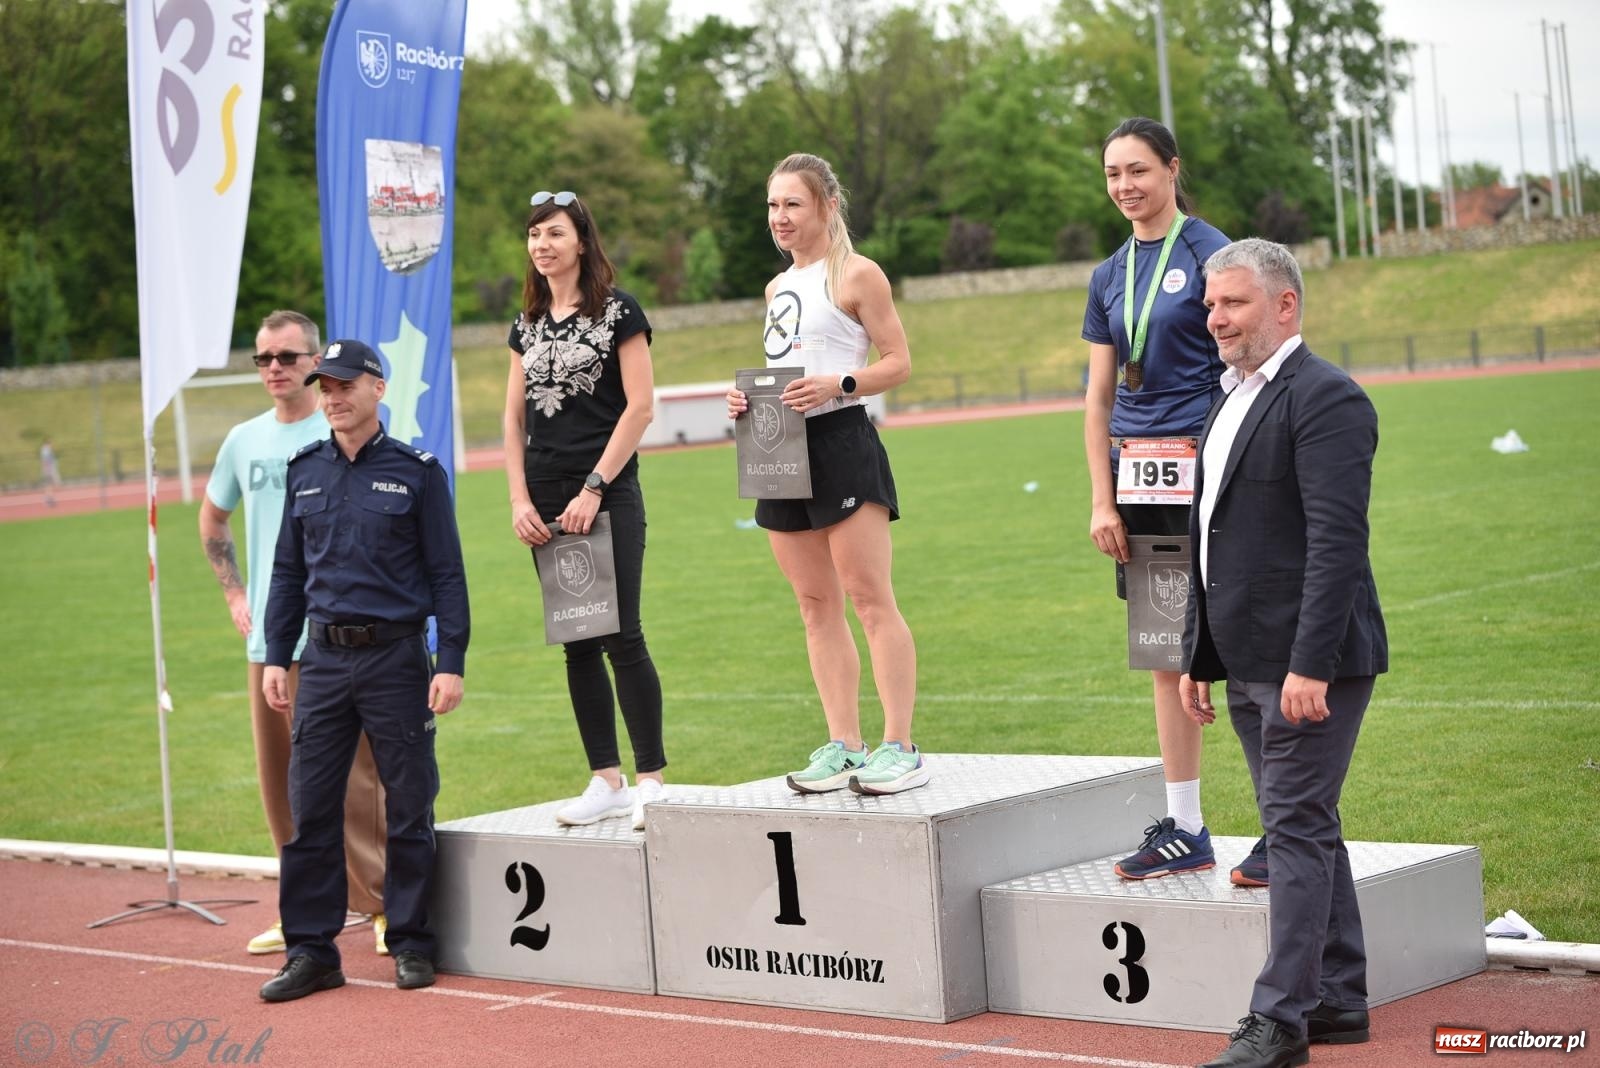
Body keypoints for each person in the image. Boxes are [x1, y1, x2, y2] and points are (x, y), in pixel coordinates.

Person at [1182, 239, 1386, 1068]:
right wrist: (1201, 655)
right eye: (1209, 305)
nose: (1215, 319)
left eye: (1232, 304)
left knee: (1294, 830)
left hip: (1311, 663)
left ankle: (1279, 1023)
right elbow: (1211, 536)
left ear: (1285, 305)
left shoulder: (1327, 397)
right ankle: (1338, 998)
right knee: (1305, 826)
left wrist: (1311, 664)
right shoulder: (1228, 397)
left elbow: (1337, 543)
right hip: (1246, 657)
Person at [258, 339, 469, 1002]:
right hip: (321, 663)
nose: (332, 397)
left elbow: (446, 573)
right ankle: (312, 952)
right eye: (324, 386)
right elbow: (288, 573)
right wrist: (274, 655)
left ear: (379, 388)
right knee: (311, 809)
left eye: (345, 385)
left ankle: (409, 940)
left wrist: (452, 659)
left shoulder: (417, 472)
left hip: (396, 660)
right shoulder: (305, 471)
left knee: (408, 804)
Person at [1081, 117, 1263, 883]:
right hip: (1139, 482)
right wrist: (1102, 498)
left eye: (1139, 171)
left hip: (1214, 479)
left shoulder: (1211, 253)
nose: (1126, 186)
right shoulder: (1108, 274)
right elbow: (1096, 399)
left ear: (1171, 170)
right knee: (1164, 655)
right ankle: (1186, 826)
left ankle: (1285, 826)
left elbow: (1247, 362)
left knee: (1251, 652)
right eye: (1114, 173)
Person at [725, 152, 925, 796]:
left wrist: (842, 382)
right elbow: (782, 368)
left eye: (792, 204)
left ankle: (899, 745)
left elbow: (897, 362)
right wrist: (746, 402)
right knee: (814, 606)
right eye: (772, 206)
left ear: (827, 206)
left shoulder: (858, 275)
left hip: (841, 443)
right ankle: (844, 744)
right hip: (777, 446)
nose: (779, 218)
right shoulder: (776, 287)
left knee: (869, 599)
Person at [198, 310, 388, 958]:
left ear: (314, 361)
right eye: (263, 359)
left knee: (356, 784)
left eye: (287, 357)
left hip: (335, 640)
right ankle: (305, 908)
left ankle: (379, 902)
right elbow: (212, 518)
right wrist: (234, 592)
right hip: (269, 647)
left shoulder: (338, 430)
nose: (274, 368)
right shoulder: (243, 441)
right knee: (281, 786)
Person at [503, 190, 666, 830]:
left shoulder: (620, 311)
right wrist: (519, 497)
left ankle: (651, 778)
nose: (543, 245)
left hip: (605, 491)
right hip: (544, 496)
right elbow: (512, 419)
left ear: (581, 241)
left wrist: (595, 486)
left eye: (555, 234)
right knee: (576, 643)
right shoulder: (526, 323)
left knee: (622, 633)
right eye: (534, 235)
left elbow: (641, 407)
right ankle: (606, 778)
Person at [39, 438, 61, 507]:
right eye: (51, 444)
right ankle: (49, 500)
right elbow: (45, 460)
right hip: (49, 470)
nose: (52, 445)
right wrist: (47, 470)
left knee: (49, 486)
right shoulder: (45, 450)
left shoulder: (46, 450)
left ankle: (49, 499)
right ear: (48, 444)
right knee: (49, 485)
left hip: (49, 470)